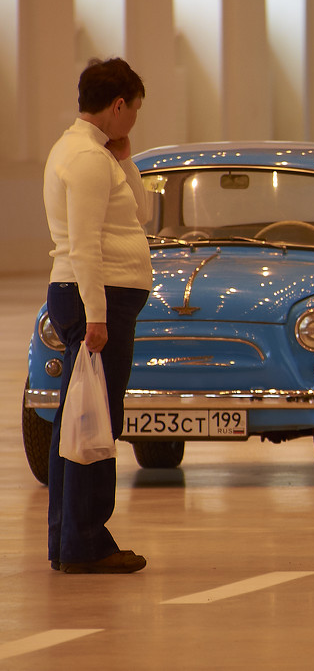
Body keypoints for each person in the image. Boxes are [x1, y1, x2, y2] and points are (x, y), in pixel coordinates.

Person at [43, 57, 152, 573]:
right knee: (93, 420)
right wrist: (98, 315)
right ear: (118, 105)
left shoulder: (91, 152)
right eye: (133, 111)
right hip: (94, 295)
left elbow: (141, 210)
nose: (134, 120)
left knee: (78, 418)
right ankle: (86, 540)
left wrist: (125, 156)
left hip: (95, 294)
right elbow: (85, 246)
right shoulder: (85, 159)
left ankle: (69, 538)